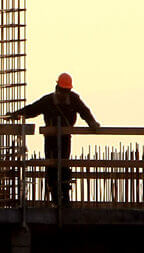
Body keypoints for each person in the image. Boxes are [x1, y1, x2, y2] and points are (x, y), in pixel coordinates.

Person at [5, 73, 100, 206]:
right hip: (50, 138)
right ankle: (55, 198)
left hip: (65, 137)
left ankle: (65, 198)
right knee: (51, 166)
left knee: (64, 164)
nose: (64, 94)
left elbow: (85, 111)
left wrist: (92, 123)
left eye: (66, 91)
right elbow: (33, 109)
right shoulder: (48, 100)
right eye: (63, 90)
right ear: (57, 88)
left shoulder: (73, 99)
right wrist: (17, 114)